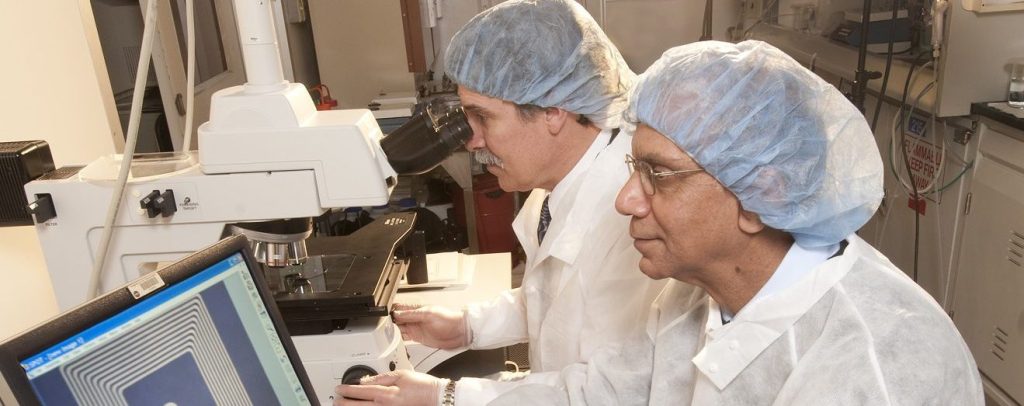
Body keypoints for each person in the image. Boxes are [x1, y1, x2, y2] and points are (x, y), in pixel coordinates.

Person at [487, 40, 985, 405]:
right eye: (634, 168)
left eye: (658, 174)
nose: (625, 201)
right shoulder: (699, 295)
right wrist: (451, 397)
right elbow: (606, 393)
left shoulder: (876, 366)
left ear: (761, 195)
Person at [336, 0, 665, 404]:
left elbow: (612, 392)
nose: (471, 141)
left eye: (484, 117)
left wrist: (444, 396)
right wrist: (467, 326)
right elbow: (552, 299)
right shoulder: (560, 180)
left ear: (553, 112)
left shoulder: (632, 217)